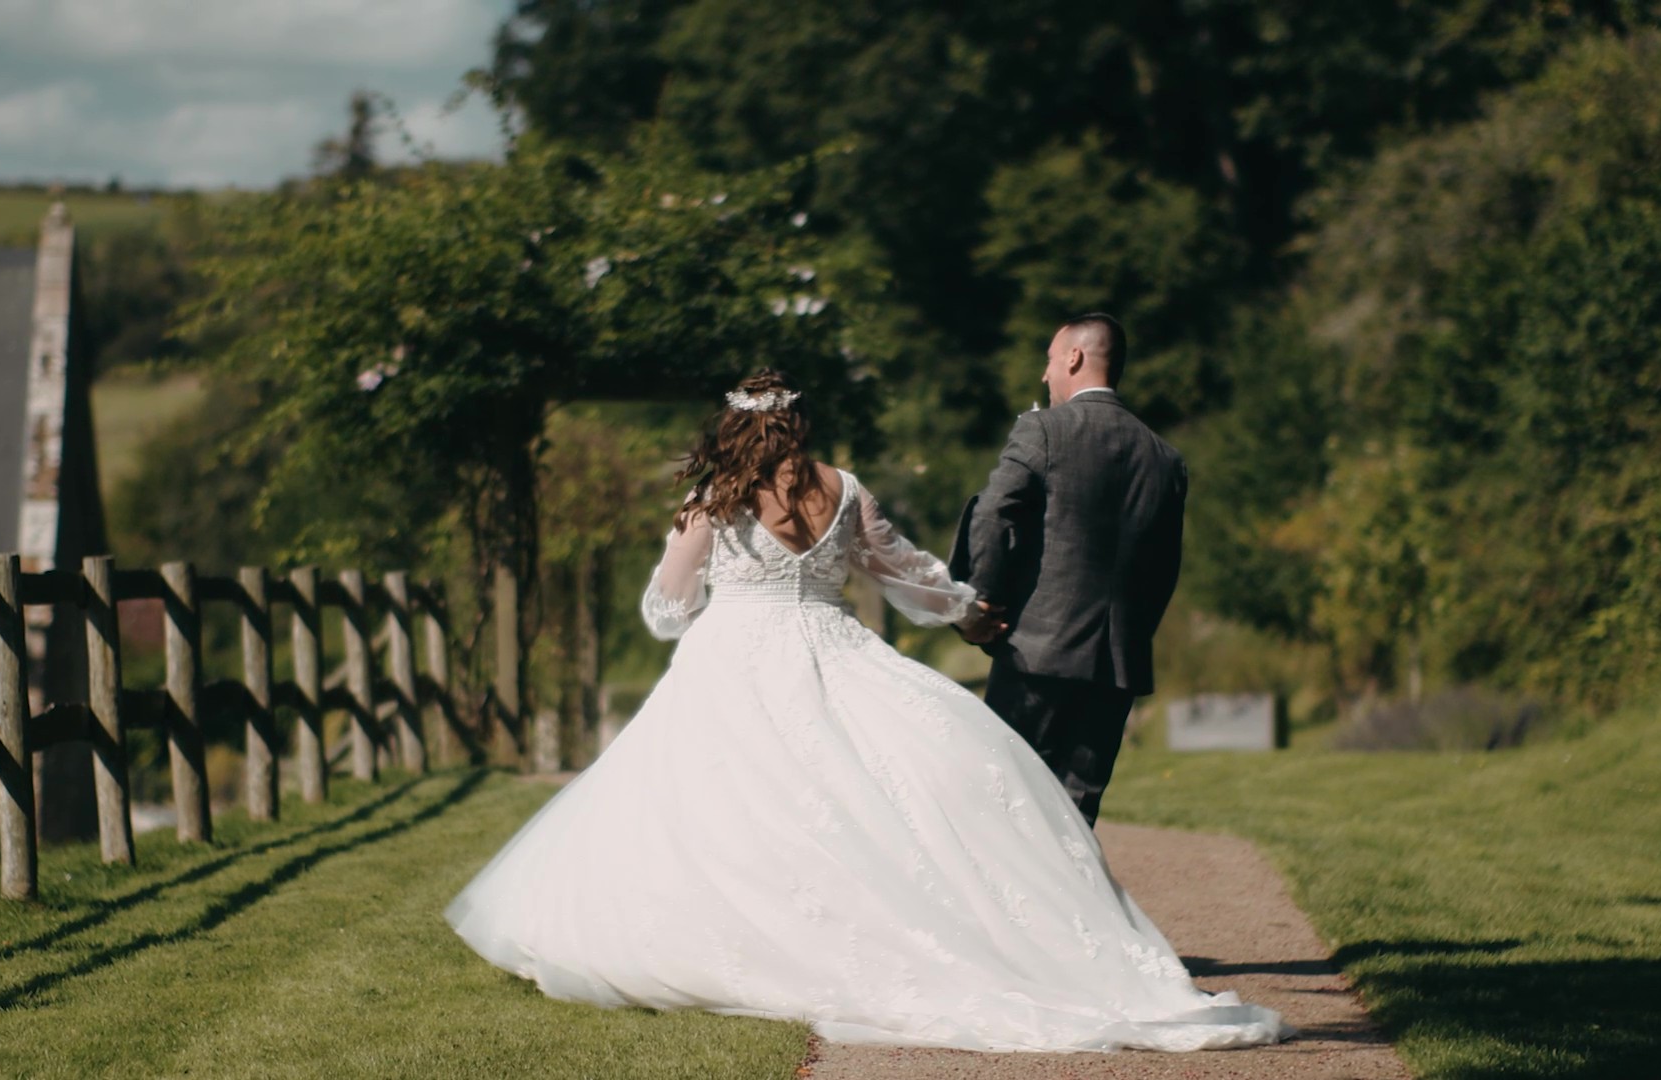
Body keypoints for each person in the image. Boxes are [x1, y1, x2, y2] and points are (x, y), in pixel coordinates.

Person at [446, 370, 1283, 1053]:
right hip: (833, 651)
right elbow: (904, 572)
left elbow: (665, 608)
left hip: (732, 658)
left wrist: (706, 586)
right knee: (864, 798)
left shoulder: (713, 500)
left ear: (733, 431)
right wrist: (964, 609)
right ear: (800, 427)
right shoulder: (841, 489)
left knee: (724, 810)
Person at [954, 314, 1187, 826]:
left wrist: (982, 601)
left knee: (1003, 806)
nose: (1045, 375)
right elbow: (1165, 567)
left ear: (1075, 358)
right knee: (1075, 818)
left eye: (1050, 359)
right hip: (1117, 664)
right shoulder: (1166, 459)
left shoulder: (1042, 429)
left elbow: (994, 512)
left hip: (1036, 654)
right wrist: (1131, 633)